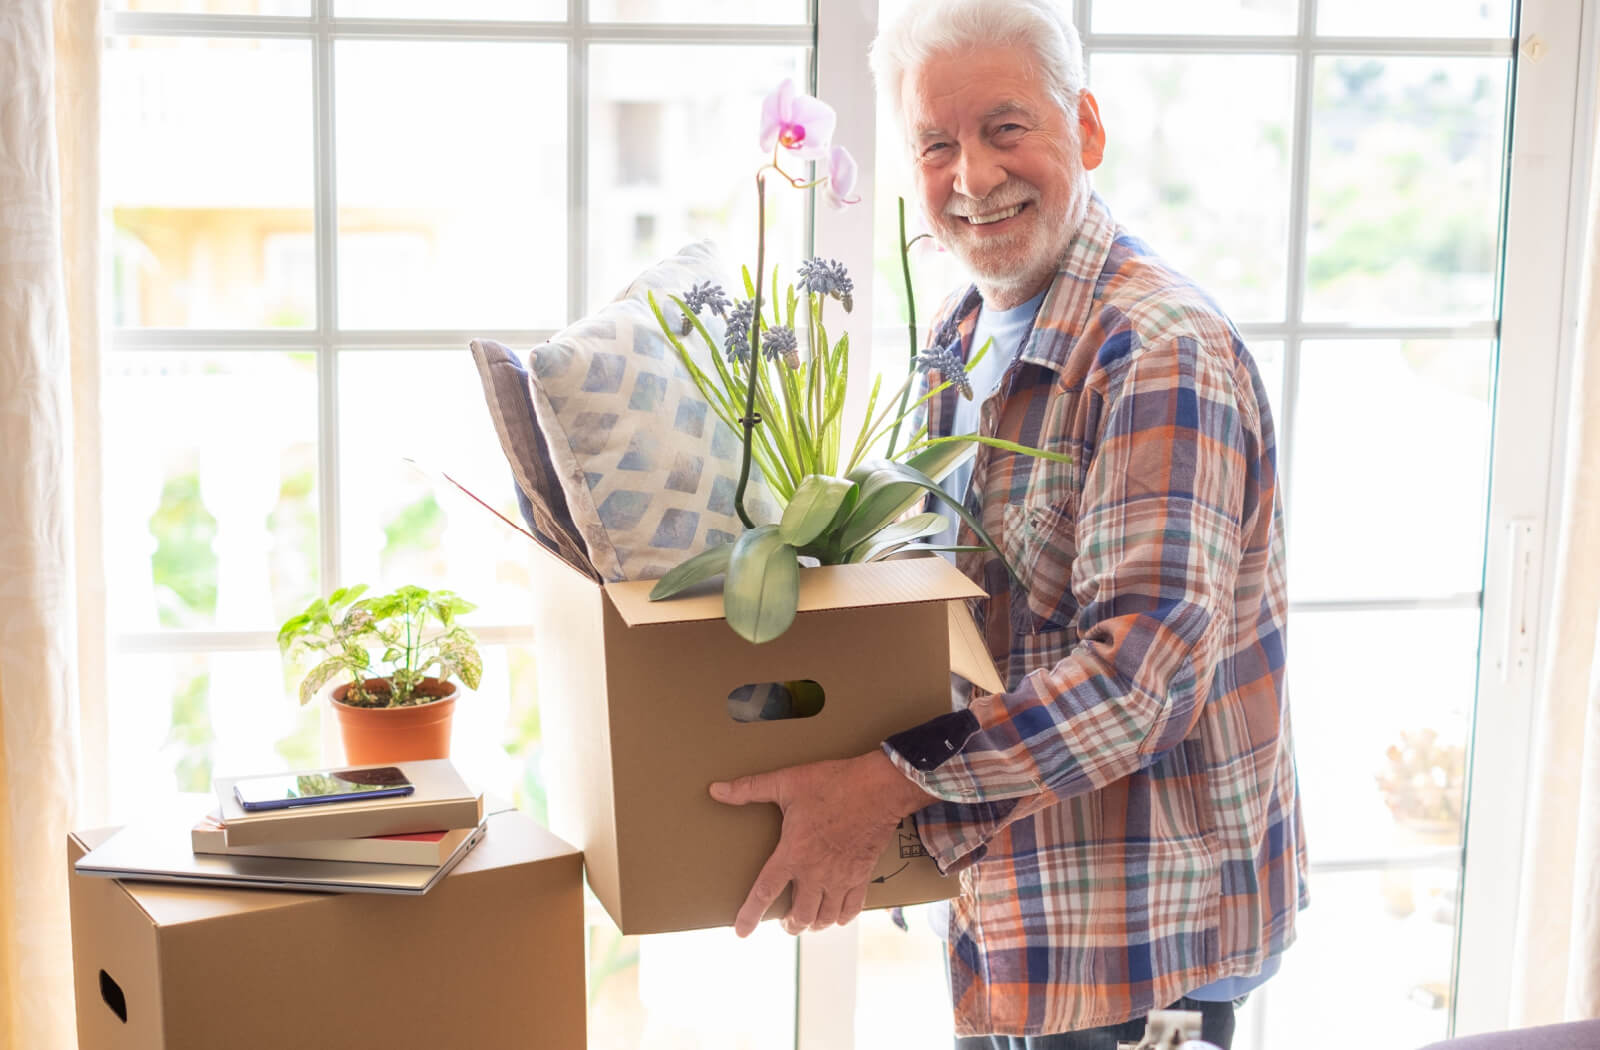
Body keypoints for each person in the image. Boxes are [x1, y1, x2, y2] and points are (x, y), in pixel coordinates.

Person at [707, 1, 1309, 1045]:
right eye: (935, 144)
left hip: (1140, 942)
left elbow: (1137, 679)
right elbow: (956, 609)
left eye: (1005, 127)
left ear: (1086, 129)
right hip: (1013, 911)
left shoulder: (1154, 351)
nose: (973, 177)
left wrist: (883, 786)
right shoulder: (959, 323)